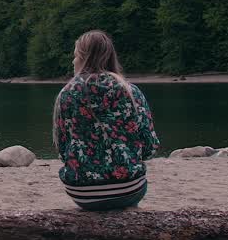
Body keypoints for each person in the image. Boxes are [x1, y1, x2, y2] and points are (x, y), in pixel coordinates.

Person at [52, 29, 160, 210]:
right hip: (129, 188)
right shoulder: (130, 91)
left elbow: (63, 151)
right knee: (131, 191)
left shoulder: (66, 94)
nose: (73, 61)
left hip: (82, 192)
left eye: (75, 55)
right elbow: (150, 147)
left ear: (84, 58)